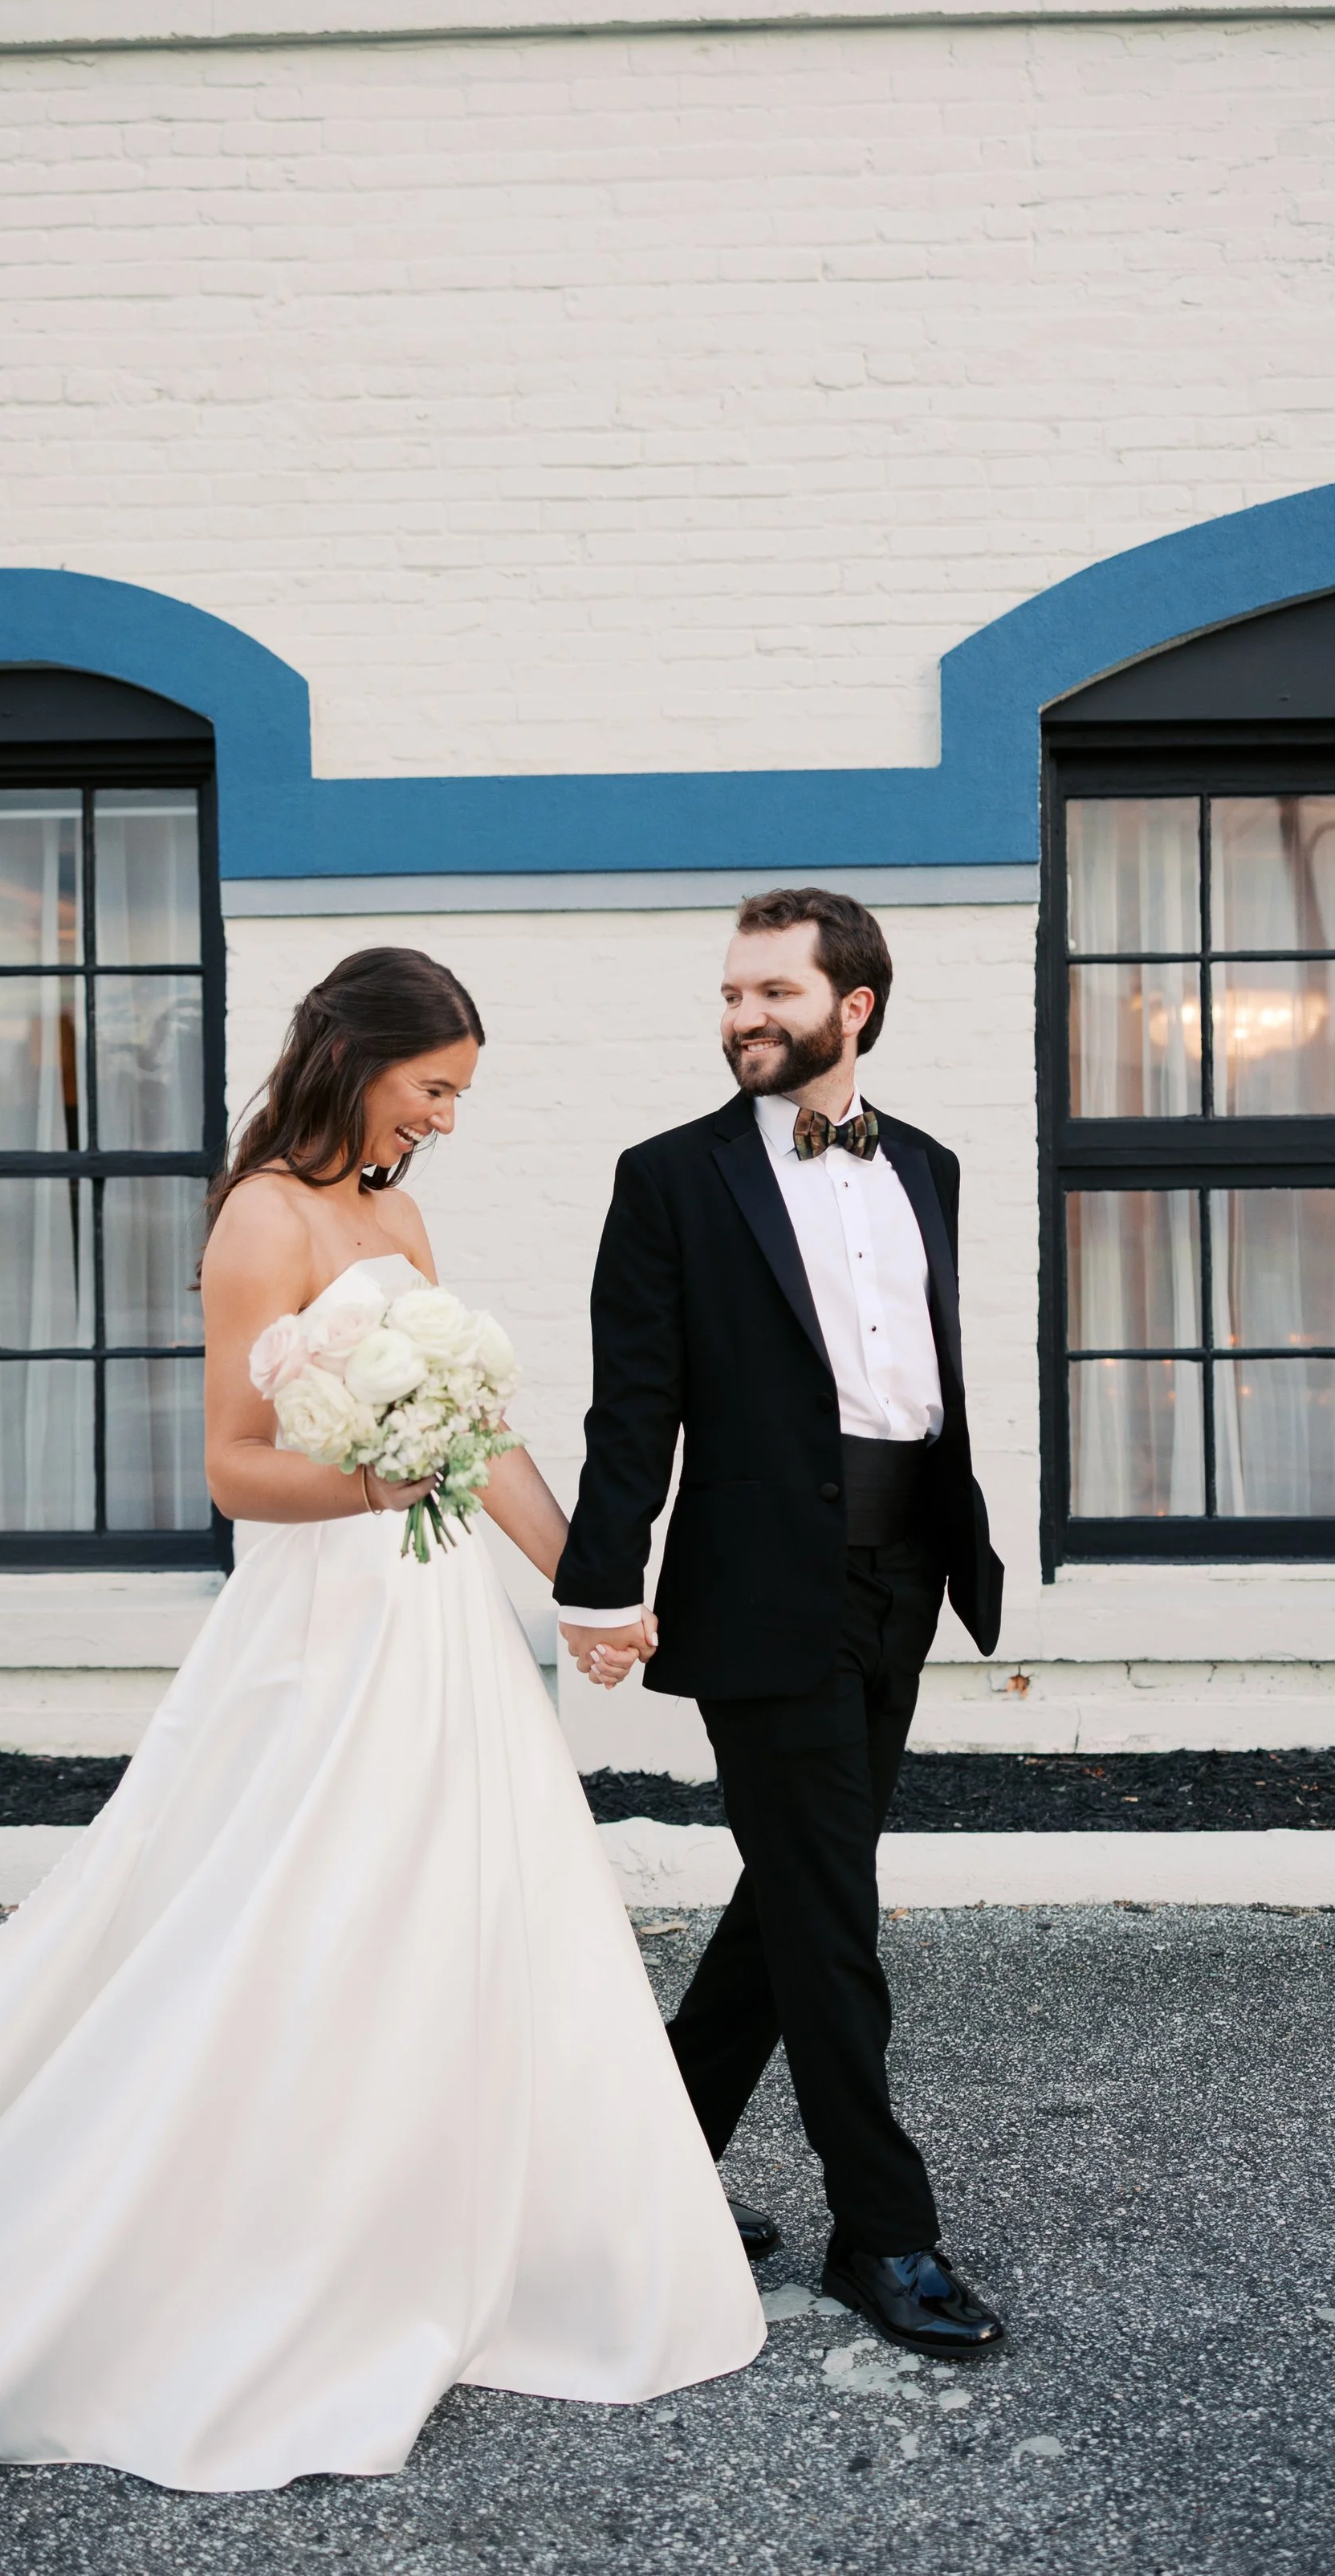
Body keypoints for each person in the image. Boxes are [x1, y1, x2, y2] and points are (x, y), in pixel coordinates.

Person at [0, 948, 762, 2492]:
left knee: (470, 1911)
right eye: (436, 1086)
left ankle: (479, 2236)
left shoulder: (397, 1208)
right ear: (357, 1057)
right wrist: (384, 1476)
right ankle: (262, 2248)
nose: (452, 1118)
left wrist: (594, 1592)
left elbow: (485, 1434)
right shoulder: (264, 1213)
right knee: (299, 1919)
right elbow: (235, 1466)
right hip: (320, 1626)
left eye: (462, 1092)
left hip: (437, 1618)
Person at [555, 890, 1007, 2359]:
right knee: (831, 1914)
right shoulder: (671, 1178)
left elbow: (918, 1381)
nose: (743, 1016)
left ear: (852, 1005)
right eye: (732, 993)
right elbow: (635, 1407)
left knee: (795, 1889)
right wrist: (602, 1580)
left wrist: (950, 1550)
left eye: (772, 992)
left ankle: (655, 2162)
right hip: (762, 1590)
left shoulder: (928, 1164)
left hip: (908, 1576)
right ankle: (885, 2227)